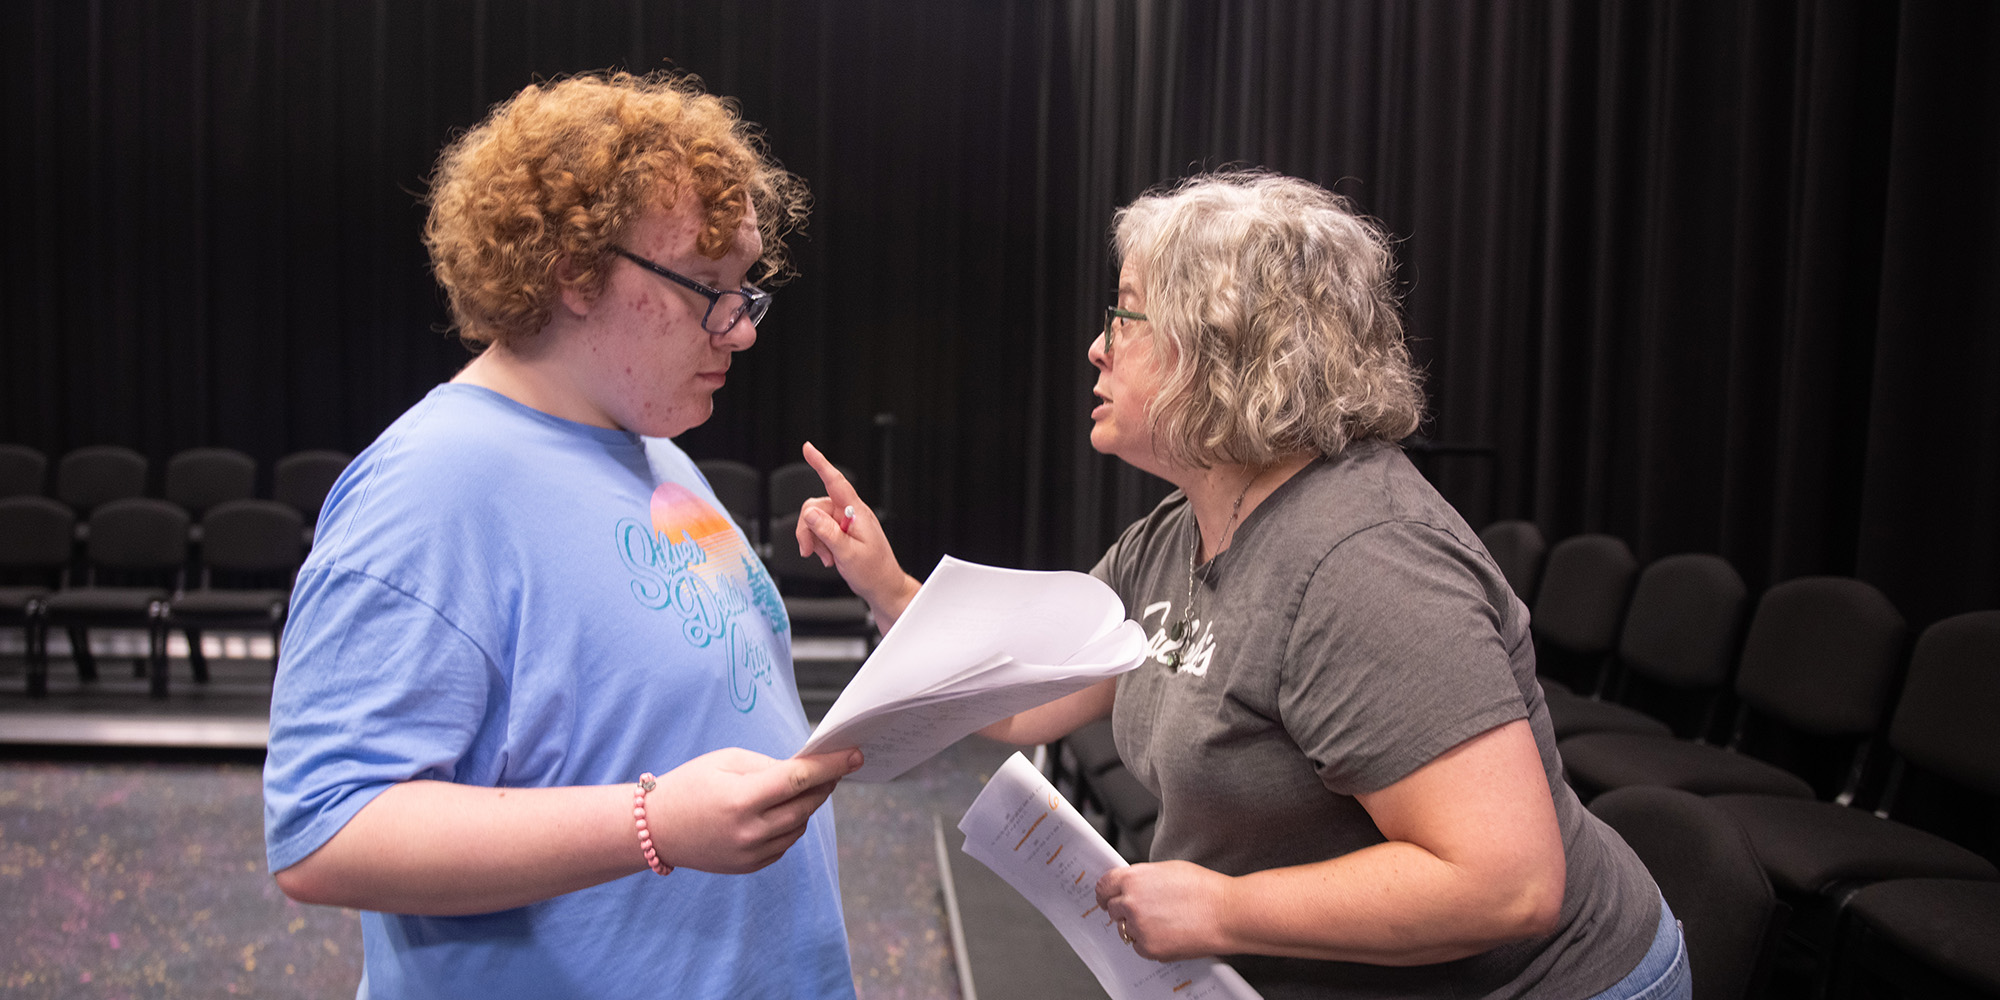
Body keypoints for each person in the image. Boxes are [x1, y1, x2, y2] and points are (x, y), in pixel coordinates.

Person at [794, 172, 1690, 999]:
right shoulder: (1181, 529)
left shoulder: (1366, 563)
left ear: (1222, 348)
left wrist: (1223, 911)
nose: (1097, 347)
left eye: (1127, 315)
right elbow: (1032, 703)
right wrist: (889, 586)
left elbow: (1509, 885)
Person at [262, 72, 862, 1000]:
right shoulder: (434, 484)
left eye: (746, 289)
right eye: (707, 287)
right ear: (576, 275)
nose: (739, 330)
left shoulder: (652, 449)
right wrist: (651, 824)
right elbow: (326, 829)